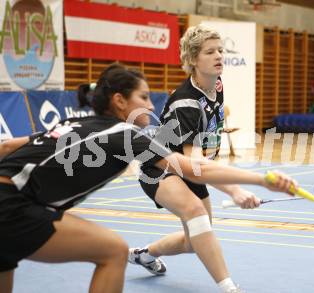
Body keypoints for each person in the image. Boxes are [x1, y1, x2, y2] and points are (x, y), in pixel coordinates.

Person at [0, 64, 296, 293]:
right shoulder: (125, 135)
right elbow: (193, 167)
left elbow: (6, 146)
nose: (152, 106)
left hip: (15, 203)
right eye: (143, 97)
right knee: (114, 251)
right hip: (12, 206)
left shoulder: (71, 122)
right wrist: (260, 179)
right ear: (119, 100)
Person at [128, 25, 261, 293]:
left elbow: (199, 159)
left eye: (221, 50)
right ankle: (229, 288)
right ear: (192, 59)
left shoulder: (216, 83)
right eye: (210, 52)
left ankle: (143, 254)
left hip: (189, 167)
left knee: (194, 241)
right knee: (197, 214)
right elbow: (195, 167)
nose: (219, 56)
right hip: (160, 169)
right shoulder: (186, 103)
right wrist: (234, 190)